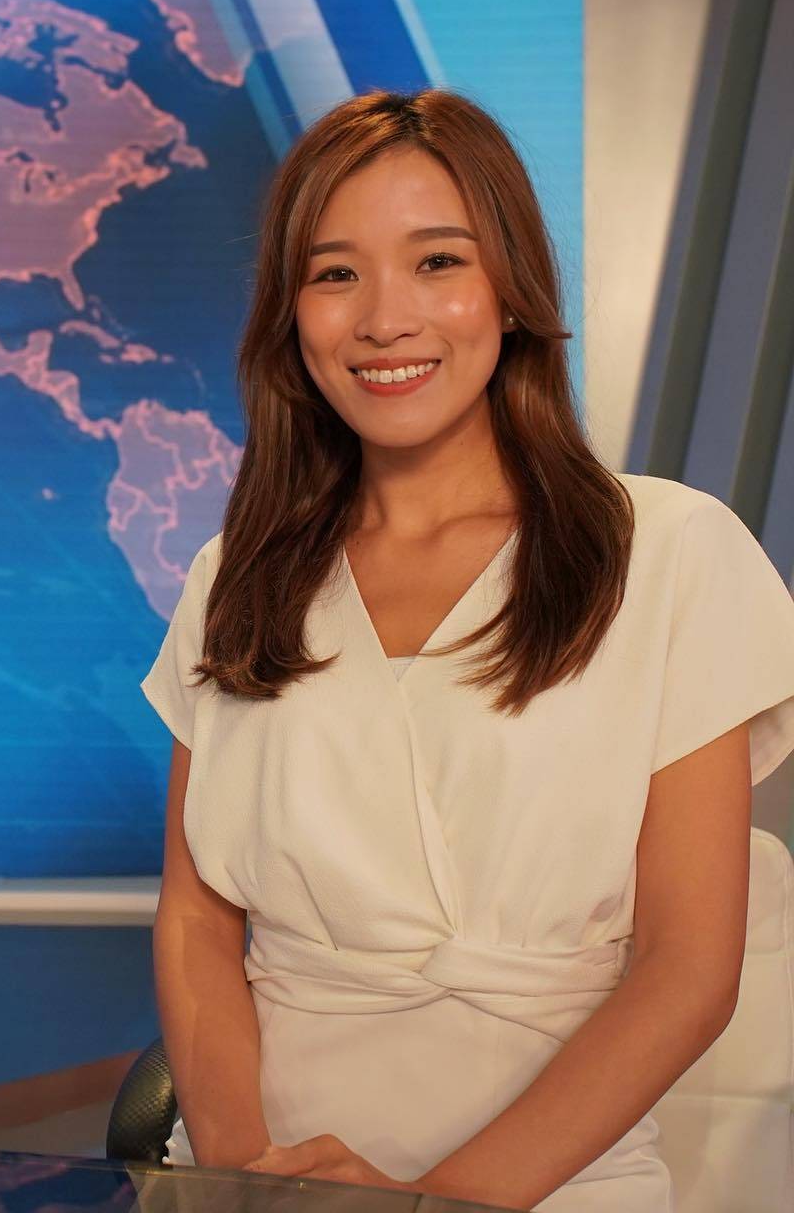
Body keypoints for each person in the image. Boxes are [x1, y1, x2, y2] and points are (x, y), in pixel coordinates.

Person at [141, 88, 794, 1212]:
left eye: (437, 261)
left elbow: (689, 972)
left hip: (545, 1187)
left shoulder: (671, 552)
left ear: (512, 288)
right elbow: (197, 920)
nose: (384, 319)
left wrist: (433, 1206)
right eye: (335, 273)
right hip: (263, 1178)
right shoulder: (236, 573)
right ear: (291, 313)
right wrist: (248, 1180)